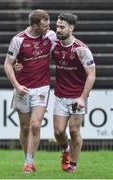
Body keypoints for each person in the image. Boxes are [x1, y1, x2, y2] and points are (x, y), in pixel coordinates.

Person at [4, 9, 56, 173]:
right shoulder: (18, 40)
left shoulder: (51, 36)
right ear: (34, 25)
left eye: (49, 25)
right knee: (25, 127)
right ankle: (27, 158)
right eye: (44, 26)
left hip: (42, 87)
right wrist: (17, 86)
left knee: (35, 125)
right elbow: (7, 64)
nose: (47, 28)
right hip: (22, 88)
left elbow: (64, 48)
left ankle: (29, 162)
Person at [52, 12, 96, 173]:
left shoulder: (81, 49)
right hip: (60, 95)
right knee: (58, 132)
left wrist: (83, 98)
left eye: (62, 27)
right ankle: (66, 150)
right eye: (57, 26)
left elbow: (92, 74)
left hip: (77, 96)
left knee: (74, 130)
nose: (58, 29)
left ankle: (73, 165)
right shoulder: (54, 44)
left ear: (71, 28)